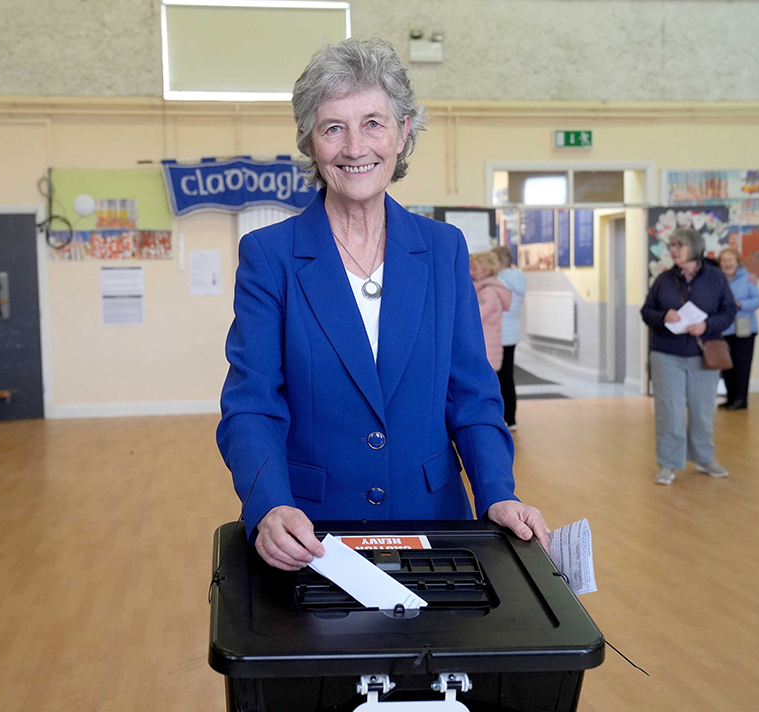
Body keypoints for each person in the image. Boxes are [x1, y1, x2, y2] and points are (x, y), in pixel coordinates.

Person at [217, 38, 549, 571]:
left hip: (436, 524)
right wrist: (270, 504)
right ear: (309, 141)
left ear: (403, 132)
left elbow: (472, 395)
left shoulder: (442, 250)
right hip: (314, 533)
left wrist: (497, 493)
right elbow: (252, 403)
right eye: (333, 127)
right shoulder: (269, 256)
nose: (355, 148)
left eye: (373, 123)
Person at [640, 228, 737, 485]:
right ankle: (668, 464)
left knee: (702, 411)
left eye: (679, 245)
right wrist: (663, 316)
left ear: (693, 248)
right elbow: (646, 312)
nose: (673, 250)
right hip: (666, 354)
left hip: (702, 354)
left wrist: (707, 325)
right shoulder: (664, 280)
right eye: (671, 245)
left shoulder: (716, 278)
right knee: (669, 411)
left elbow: (729, 311)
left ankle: (704, 458)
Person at [717, 247, 759, 410]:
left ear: (737, 262)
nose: (727, 263)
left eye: (730, 260)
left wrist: (740, 304)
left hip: (744, 329)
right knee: (726, 365)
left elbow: (758, 300)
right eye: (724, 260)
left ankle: (741, 399)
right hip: (724, 329)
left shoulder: (748, 279)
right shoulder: (717, 280)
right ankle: (730, 398)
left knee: (742, 366)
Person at [492, 246, 526, 430]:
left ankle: (498, 417)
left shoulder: (496, 282)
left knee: (496, 378)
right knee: (508, 377)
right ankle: (511, 418)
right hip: (512, 334)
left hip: (496, 334)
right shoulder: (520, 278)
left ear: (499, 262)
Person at [469, 251, 512, 372]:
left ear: (488, 270)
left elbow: (477, 315)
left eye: (474, 269)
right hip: (487, 346)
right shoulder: (484, 290)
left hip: (487, 347)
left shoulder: (488, 293)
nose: (471, 272)